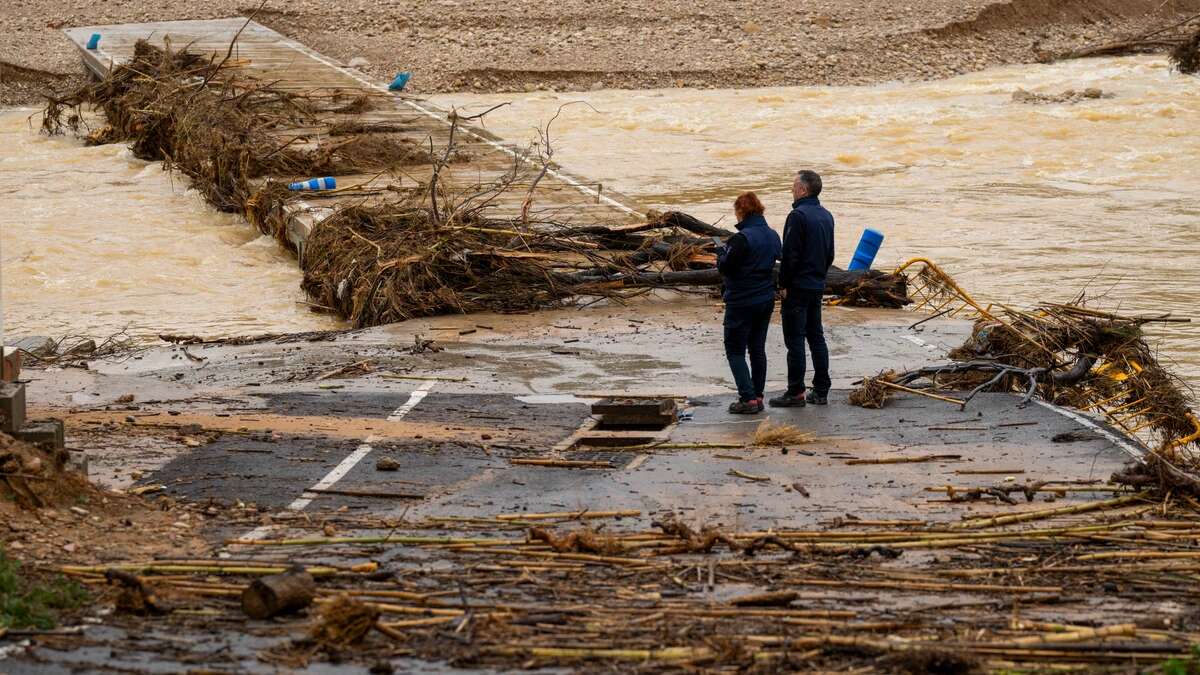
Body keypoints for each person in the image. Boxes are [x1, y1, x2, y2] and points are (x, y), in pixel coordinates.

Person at [770, 170, 834, 408]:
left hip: (797, 286)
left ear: (803, 190)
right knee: (816, 336)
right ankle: (821, 389)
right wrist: (819, 276)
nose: (791, 190)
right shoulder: (826, 216)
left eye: (794, 186)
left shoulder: (797, 216)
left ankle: (796, 391)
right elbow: (830, 254)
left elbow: (790, 256)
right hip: (816, 284)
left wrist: (783, 284)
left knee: (795, 340)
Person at [717, 192, 782, 414]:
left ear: (741, 212)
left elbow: (725, 266)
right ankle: (759, 395)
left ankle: (748, 398)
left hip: (742, 300)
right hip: (765, 298)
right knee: (757, 349)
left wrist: (720, 251)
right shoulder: (773, 235)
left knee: (735, 350)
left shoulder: (741, 238)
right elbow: (777, 256)